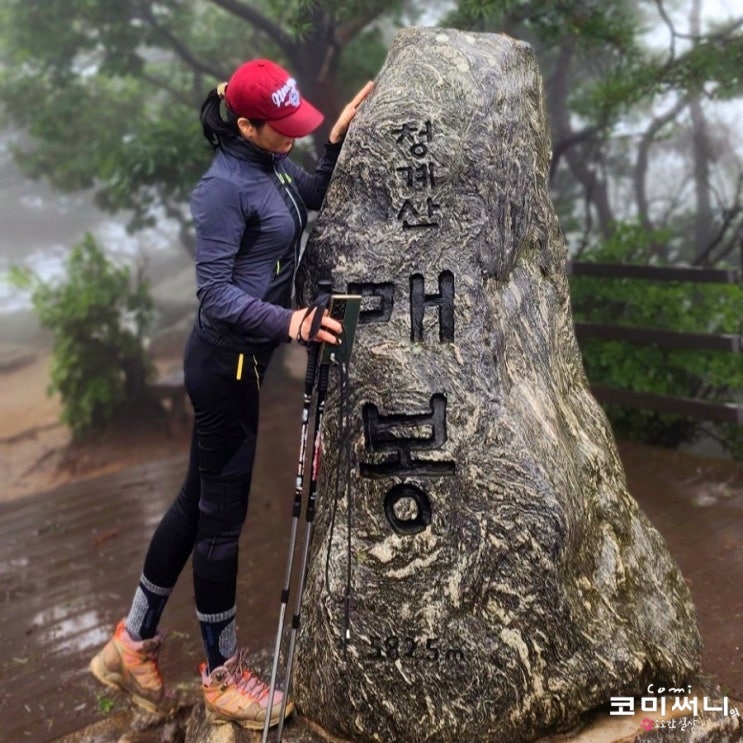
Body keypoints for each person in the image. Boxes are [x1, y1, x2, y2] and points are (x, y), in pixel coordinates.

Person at [89, 58, 374, 730]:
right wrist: (292, 321)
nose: (292, 136)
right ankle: (221, 678)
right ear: (246, 125)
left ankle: (130, 642)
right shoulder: (221, 187)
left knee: (196, 500)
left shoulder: (267, 165)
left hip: (240, 363)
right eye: (282, 128)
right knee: (220, 520)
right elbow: (215, 295)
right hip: (225, 367)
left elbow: (303, 195)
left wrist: (332, 145)